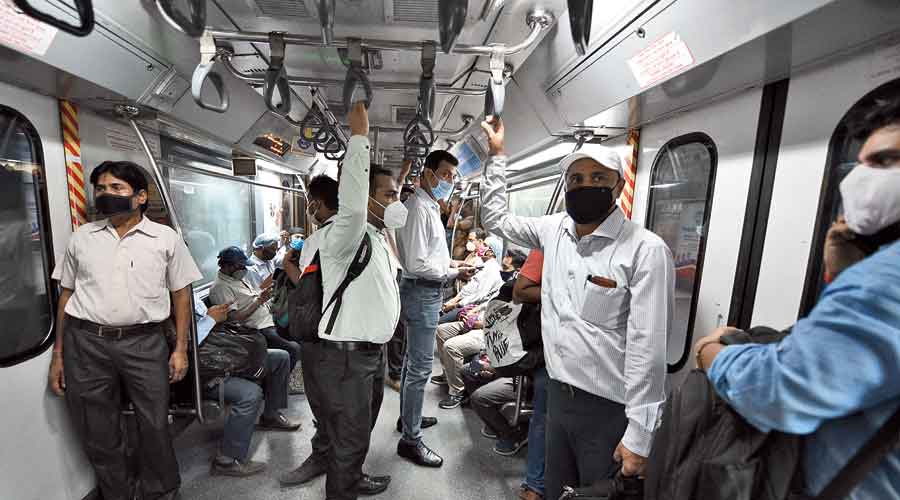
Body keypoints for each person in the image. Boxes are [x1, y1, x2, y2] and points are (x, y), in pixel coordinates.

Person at [695, 98, 900, 500]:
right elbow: (854, 356)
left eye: (884, 160)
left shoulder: (886, 279)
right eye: (860, 164)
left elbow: (778, 390)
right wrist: (843, 276)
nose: (860, 178)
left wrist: (712, 355)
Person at [479, 117, 675, 500]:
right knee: (556, 493)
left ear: (618, 186)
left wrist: (640, 434)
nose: (586, 187)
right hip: (556, 397)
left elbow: (647, 349)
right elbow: (496, 219)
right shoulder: (554, 230)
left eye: (598, 179)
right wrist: (497, 156)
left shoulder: (644, 251)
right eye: (577, 180)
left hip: (609, 411)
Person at [46, 161, 202, 500]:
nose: (106, 195)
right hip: (85, 342)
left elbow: (181, 296)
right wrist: (58, 354)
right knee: (96, 427)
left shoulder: (165, 239)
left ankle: (161, 489)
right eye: (101, 189)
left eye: (116, 188)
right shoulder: (82, 238)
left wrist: (180, 349)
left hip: (144, 343)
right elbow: (67, 296)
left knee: (155, 423)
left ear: (140, 196)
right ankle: (117, 492)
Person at [281, 102, 398, 500]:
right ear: (365, 199)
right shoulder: (344, 233)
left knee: (357, 434)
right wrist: (360, 137)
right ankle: (342, 488)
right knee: (347, 440)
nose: (396, 200)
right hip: (346, 358)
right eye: (389, 194)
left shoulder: (377, 237)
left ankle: (353, 477)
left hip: (369, 353)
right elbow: (351, 198)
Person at [395, 149, 476, 467]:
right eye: (445, 175)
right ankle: (410, 441)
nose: (449, 181)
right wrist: (454, 272)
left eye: (453, 177)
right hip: (422, 292)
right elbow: (416, 262)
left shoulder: (429, 206)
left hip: (426, 290)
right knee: (419, 369)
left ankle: (406, 420)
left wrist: (453, 263)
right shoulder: (418, 208)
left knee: (411, 364)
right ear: (428, 173)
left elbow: (429, 255)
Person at [471, 248, 548, 500]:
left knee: (543, 417)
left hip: (535, 362)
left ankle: (536, 483)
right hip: (528, 361)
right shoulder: (532, 293)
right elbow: (516, 292)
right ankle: (535, 481)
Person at [194, 299, 300, 477]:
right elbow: (187, 342)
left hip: (222, 353)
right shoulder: (170, 310)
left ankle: (270, 415)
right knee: (250, 393)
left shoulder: (193, 299)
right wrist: (210, 320)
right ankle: (226, 460)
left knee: (281, 358)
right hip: (207, 370)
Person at [209, 247, 302, 373]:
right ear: (228, 266)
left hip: (268, 316)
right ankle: (282, 377)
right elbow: (234, 319)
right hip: (257, 327)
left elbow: (254, 295)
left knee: (298, 326)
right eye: (241, 266)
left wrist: (266, 295)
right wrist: (259, 301)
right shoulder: (220, 288)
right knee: (293, 348)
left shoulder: (237, 278)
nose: (244, 269)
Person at [439, 235, 505, 323]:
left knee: (438, 322)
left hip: (469, 307)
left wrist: (455, 305)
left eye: (485, 245)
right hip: (460, 302)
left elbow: (478, 296)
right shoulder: (483, 266)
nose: (481, 246)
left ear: (492, 252)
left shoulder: (492, 269)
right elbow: (470, 288)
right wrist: (454, 300)